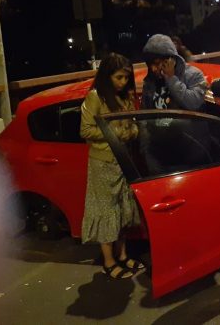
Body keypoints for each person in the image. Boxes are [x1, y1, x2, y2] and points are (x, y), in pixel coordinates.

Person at [79, 52, 145, 280]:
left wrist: (132, 129)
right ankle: (109, 261)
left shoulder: (124, 96)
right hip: (104, 163)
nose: (123, 82)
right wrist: (115, 132)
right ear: (107, 76)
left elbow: (132, 123)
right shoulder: (95, 97)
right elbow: (85, 130)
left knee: (123, 210)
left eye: (126, 78)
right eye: (118, 77)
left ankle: (123, 255)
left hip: (123, 161)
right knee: (106, 211)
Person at [141, 34, 207, 110]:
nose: (153, 69)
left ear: (171, 60)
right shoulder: (151, 79)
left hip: (183, 121)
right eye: (150, 64)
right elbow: (145, 109)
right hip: (154, 121)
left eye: (157, 63)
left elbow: (194, 104)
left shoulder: (194, 75)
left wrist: (171, 78)